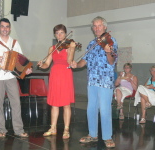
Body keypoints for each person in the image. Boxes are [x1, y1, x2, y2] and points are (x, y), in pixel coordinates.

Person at [71, 16, 118, 148]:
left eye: (99, 26)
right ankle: (92, 134)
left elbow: (112, 61)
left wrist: (108, 52)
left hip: (105, 82)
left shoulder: (111, 41)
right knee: (91, 109)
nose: (97, 28)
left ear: (105, 27)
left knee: (104, 110)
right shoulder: (91, 44)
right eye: (95, 26)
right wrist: (76, 65)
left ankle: (107, 137)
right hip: (92, 81)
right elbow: (84, 61)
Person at [37, 24, 76, 139]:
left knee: (66, 104)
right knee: (54, 104)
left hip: (65, 75)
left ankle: (66, 129)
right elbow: (47, 64)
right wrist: (41, 65)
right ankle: (53, 128)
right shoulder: (52, 48)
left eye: (62, 33)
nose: (59, 35)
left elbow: (69, 61)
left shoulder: (69, 46)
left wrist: (72, 48)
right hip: (54, 75)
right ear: (55, 34)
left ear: (65, 33)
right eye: (57, 33)